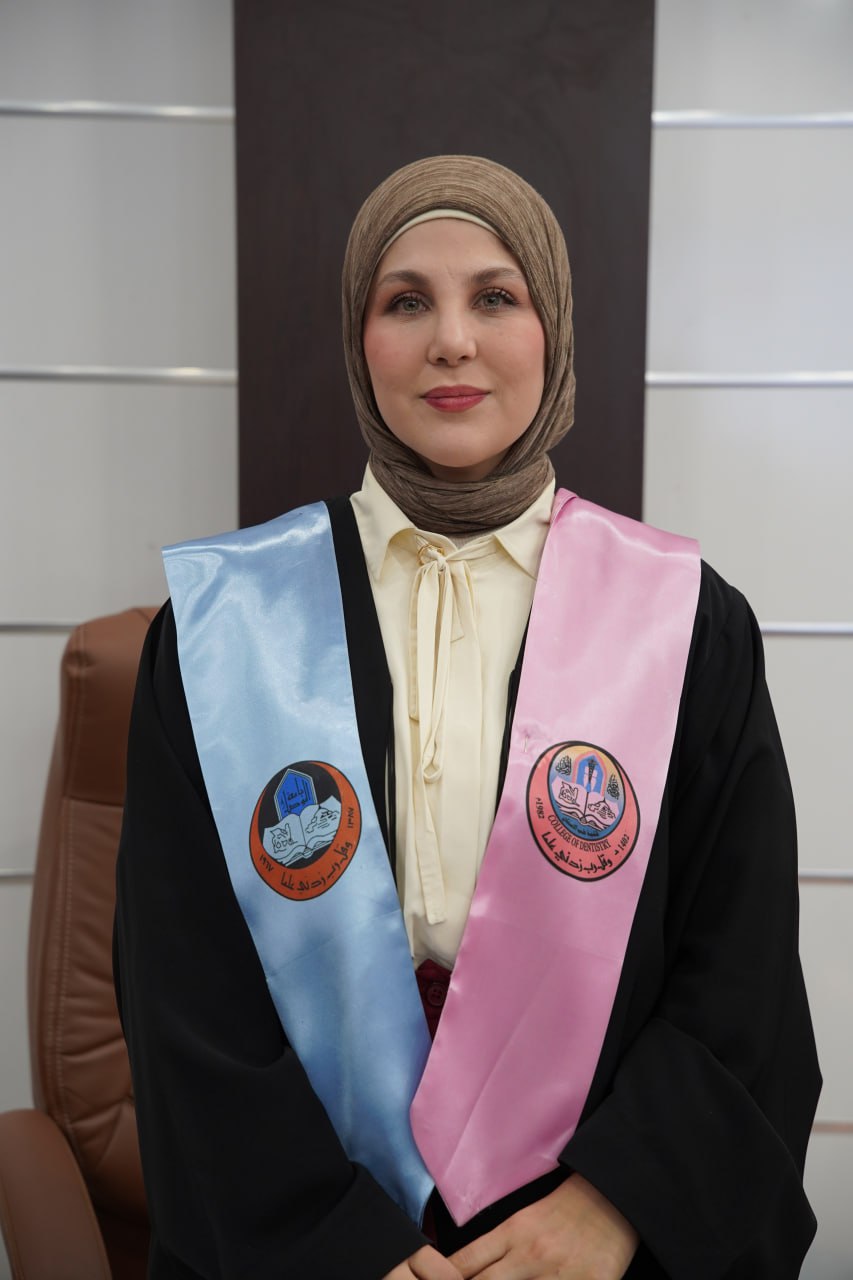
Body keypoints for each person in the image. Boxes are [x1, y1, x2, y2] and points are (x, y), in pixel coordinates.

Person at [114, 155, 821, 1279]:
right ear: (360, 342)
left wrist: (614, 1207)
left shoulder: (685, 622)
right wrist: (338, 1250)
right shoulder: (223, 627)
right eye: (406, 301)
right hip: (307, 1236)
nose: (452, 340)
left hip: (584, 1239)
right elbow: (182, 989)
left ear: (554, 331)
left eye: (495, 296)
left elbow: (740, 971)